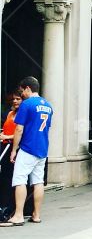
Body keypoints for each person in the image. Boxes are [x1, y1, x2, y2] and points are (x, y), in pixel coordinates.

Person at [1, 77, 53, 227]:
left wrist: (14, 150)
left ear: (28, 88)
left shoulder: (27, 104)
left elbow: (19, 129)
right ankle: (36, 215)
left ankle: (18, 215)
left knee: (19, 179)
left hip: (28, 148)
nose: (22, 94)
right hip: (42, 148)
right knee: (38, 181)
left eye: (23, 90)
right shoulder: (48, 105)